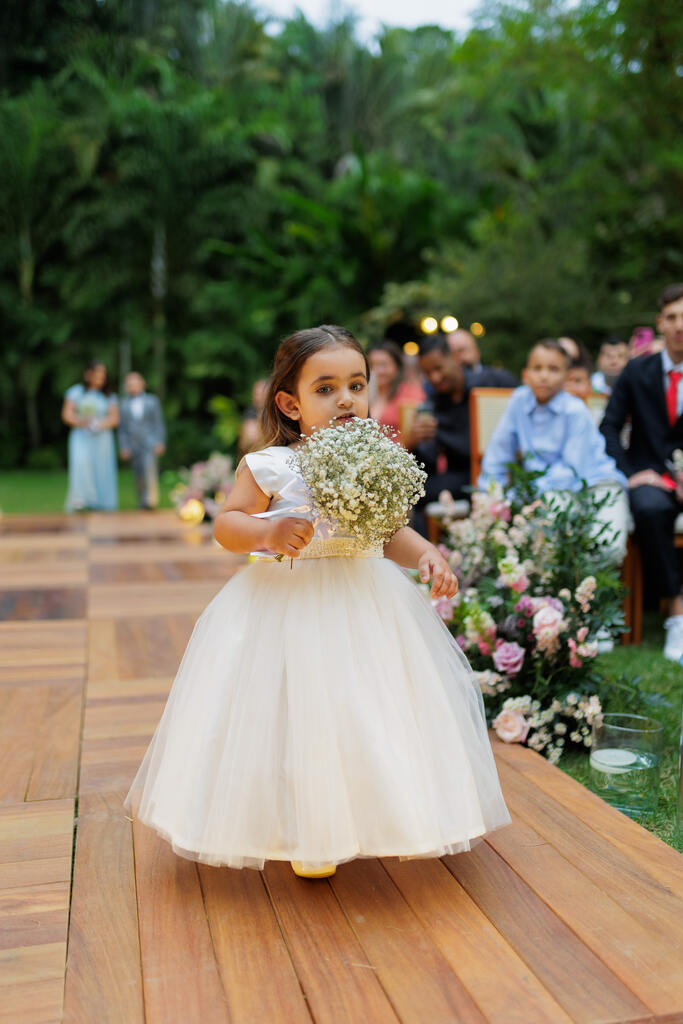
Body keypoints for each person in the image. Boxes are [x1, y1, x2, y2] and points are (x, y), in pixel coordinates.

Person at [125, 324, 510, 878]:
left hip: (365, 601)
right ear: (290, 403)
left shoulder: (377, 457)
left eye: (357, 384)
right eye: (325, 388)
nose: (346, 398)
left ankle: (378, 815)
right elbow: (227, 525)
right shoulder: (271, 465)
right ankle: (304, 826)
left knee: (370, 711)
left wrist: (427, 552)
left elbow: (388, 529)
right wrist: (268, 532)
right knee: (294, 714)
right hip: (288, 603)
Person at [479, 339, 629, 564]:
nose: (544, 376)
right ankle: (550, 596)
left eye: (553, 369)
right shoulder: (518, 401)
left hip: (596, 484)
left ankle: (586, 594)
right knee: (545, 525)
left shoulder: (574, 410)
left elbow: (571, 470)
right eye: (537, 368)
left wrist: (523, 495)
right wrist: (491, 496)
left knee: (608, 548)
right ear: (525, 373)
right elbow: (498, 454)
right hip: (553, 491)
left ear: (567, 376)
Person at [601, 283, 683, 660]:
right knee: (649, 508)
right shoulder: (637, 371)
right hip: (649, 477)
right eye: (672, 317)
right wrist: (631, 473)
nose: (680, 325)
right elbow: (609, 428)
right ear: (660, 323)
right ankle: (676, 613)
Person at [410, 334, 516, 522]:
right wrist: (413, 441)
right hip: (460, 476)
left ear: (453, 358)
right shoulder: (432, 403)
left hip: (500, 470)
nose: (435, 377)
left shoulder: (493, 382)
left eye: (438, 368)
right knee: (414, 491)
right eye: (428, 373)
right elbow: (429, 464)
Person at [62, 361, 119, 512]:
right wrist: (83, 421)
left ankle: (102, 501)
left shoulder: (109, 395)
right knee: (81, 464)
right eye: (97, 374)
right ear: (88, 374)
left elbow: (114, 419)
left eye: (103, 375)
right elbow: (67, 415)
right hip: (81, 436)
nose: (100, 377)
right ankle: (81, 499)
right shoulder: (76, 392)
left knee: (102, 467)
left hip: (102, 438)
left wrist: (99, 424)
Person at [118, 372, 166, 510]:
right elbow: (122, 428)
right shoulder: (124, 404)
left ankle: (150, 501)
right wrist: (124, 446)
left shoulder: (152, 401)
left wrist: (160, 441)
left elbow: (158, 423)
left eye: (135, 384)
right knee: (138, 473)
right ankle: (141, 500)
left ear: (142, 384)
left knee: (149, 471)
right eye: (130, 385)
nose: (133, 387)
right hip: (133, 444)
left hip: (149, 443)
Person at [368, 339, 425, 443]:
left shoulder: (411, 394)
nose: (377, 371)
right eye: (373, 365)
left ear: (397, 366)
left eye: (383, 365)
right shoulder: (366, 393)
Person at [447, 328, 517, 386]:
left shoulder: (501, 379)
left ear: (477, 351)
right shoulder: (443, 388)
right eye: (452, 354)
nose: (457, 357)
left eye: (461, 351)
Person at [238, 377, 269, 457]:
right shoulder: (250, 411)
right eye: (256, 393)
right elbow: (249, 440)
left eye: (261, 393)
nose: (258, 397)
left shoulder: (274, 412)